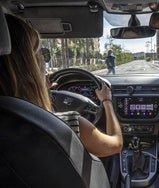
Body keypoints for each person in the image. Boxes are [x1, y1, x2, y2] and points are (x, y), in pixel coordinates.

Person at [0, 14, 123, 157]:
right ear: (30, 69)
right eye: (41, 55)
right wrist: (107, 101)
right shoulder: (64, 125)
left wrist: (42, 89)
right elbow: (116, 144)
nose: (44, 64)